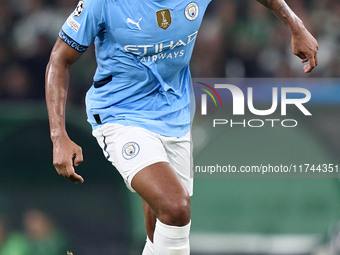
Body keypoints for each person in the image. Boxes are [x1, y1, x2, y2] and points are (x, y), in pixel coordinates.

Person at [45, 0, 318, 254]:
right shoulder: (103, 3)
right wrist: (59, 136)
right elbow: (59, 59)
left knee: (162, 230)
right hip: (121, 115)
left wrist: (297, 26)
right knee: (175, 206)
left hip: (176, 115)